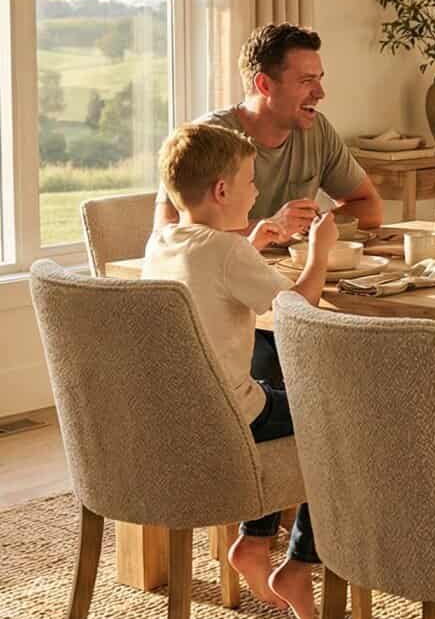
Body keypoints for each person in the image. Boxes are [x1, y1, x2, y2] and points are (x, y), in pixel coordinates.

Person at [143, 121, 337, 619]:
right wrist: (320, 252)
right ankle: (298, 563)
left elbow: (208, 273)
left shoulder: (162, 243)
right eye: (251, 181)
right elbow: (300, 310)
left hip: (185, 417)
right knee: (341, 416)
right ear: (223, 191)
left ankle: (254, 543)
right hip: (233, 419)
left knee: (282, 395)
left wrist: (250, 243)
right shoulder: (229, 254)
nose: (256, 190)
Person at [155, 22, 385, 389]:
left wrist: (315, 226)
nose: (321, 92)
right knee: (286, 358)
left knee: (363, 351)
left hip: (277, 285)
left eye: (320, 78)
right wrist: (269, 228)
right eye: (307, 81)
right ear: (264, 85)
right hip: (244, 306)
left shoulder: (317, 130)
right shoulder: (212, 143)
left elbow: (368, 207)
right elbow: (171, 228)